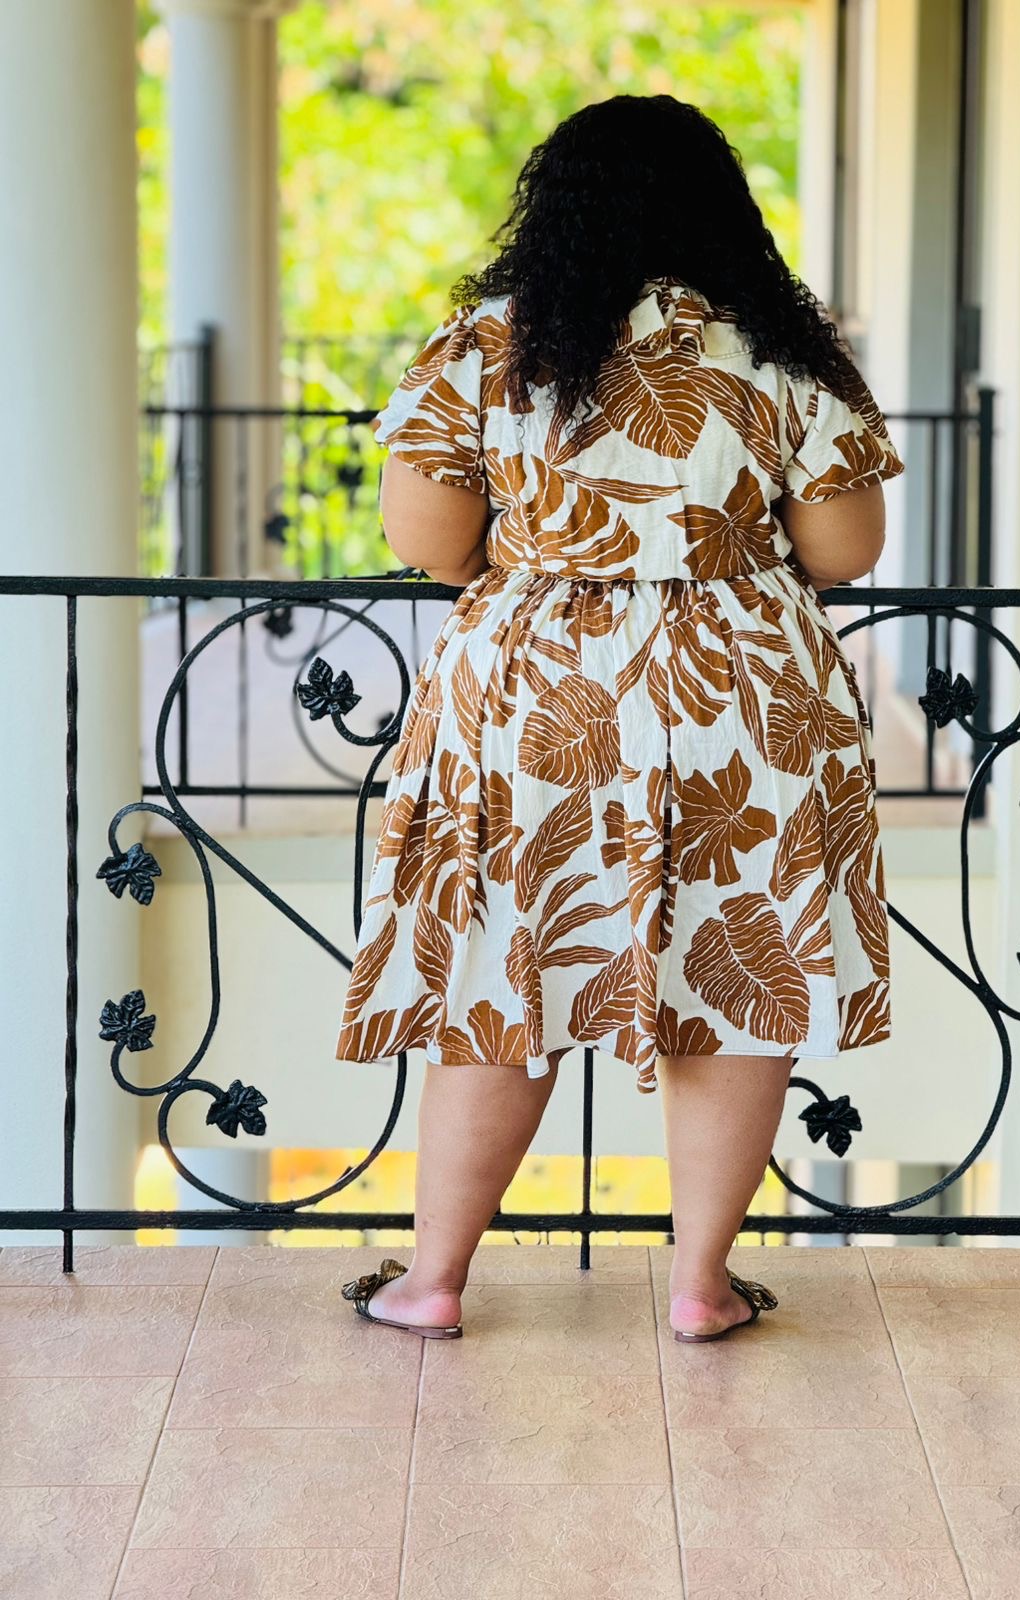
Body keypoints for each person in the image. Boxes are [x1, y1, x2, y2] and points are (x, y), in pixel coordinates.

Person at [334, 93, 904, 1343]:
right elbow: (844, 548)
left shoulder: (488, 343)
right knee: (737, 979)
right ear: (722, 214)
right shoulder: (782, 353)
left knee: (502, 972)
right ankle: (701, 1285)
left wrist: (546, 555)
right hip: (743, 702)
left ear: (554, 212)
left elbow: (427, 536)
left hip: (534, 696)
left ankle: (433, 1281)